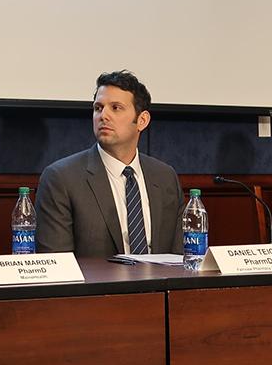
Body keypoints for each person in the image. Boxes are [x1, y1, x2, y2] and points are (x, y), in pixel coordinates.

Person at [36, 70, 184, 257]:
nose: (103, 116)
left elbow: (181, 258)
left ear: (142, 120)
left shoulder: (165, 177)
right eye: (98, 108)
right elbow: (58, 266)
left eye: (115, 108)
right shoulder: (62, 179)